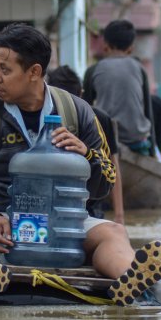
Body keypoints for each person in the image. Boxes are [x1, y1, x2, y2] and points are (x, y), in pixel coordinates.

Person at [0, 23, 161, 306]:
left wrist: (86, 156)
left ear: (34, 72)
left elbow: (105, 182)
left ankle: (129, 278)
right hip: (2, 227)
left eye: (5, 70)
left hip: (66, 227)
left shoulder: (77, 111)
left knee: (113, 232)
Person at [47, 65, 125, 224]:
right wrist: (119, 215)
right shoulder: (46, 118)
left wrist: (119, 216)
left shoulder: (97, 118)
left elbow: (111, 168)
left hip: (88, 209)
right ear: (81, 92)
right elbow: (114, 165)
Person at [83, 20, 156, 158]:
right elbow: (148, 112)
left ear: (105, 45)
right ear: (131, 48)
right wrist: (153, 154)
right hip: (137, 142)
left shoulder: (93, 70)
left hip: (106, 142)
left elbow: (85, 110)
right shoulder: (140, 69)